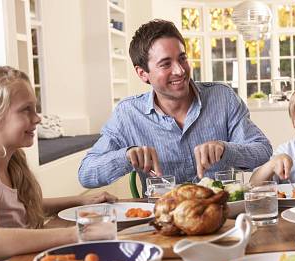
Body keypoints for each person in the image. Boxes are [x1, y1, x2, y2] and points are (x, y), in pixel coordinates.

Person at [78, 19, 272, 188]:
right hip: (165, 221)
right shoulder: (128, 113)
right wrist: (126, 157)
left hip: (222, 214)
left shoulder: (223, 97)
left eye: (182, 58)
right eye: (165, 64)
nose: (180, 71)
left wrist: (225, 149)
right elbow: (86, 173)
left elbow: (262, 150)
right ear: (142, 73)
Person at [0, 66, 117, 261]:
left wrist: (79, 201)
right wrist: (76, 234)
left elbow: (17, 208)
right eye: (26, 110)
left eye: (36, 108)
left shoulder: (10, 163)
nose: (37, 118)